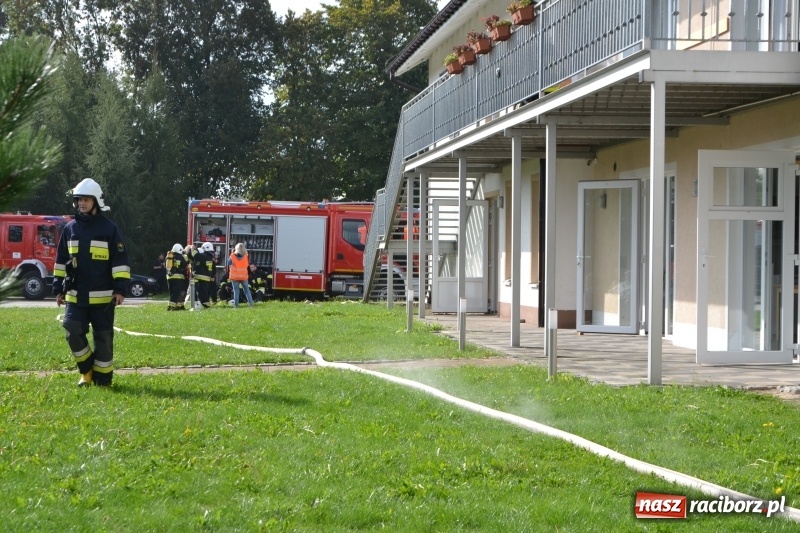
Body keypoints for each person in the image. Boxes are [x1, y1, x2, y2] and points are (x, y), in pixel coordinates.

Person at [53, 178, 130, 387]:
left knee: (103, 339)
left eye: (86, 199)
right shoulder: (70, 229)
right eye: (79, 200)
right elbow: (61, 261)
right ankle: (86, 369)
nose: (81, 203)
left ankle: (103, 379)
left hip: (103, 297)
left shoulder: (110, 229)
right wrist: (58, 288)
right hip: (75, 295)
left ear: (96, 201)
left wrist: (120, 289)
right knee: (71, 329)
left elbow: (120, 261)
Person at [227, 242, 254, 308]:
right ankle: (251, 305)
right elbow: (247, 264)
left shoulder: (232, 256)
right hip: (244, 276)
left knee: (236, 291)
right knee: (247, 291)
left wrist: (232, 253)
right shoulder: (246, 256)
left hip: (235, 277)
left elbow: (228, 263)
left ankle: (236, 306)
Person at [191, 242, 215, 308]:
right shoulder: (210, 257)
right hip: (206, 278)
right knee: (205, 292)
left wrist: (193, 248)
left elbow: (195, 255)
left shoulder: (204, 256)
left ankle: (203, 305)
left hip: (201, 278)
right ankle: (206, 304)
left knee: (201, 293)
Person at [165, 243, 188, 310]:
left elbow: (166, 266)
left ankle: (176, 306)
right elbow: (185, 266)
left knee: (171, 292)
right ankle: (171, 306)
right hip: (178, 278)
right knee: (177, 292)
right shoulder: (181, 257)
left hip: (169, 277)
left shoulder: (169, 256)